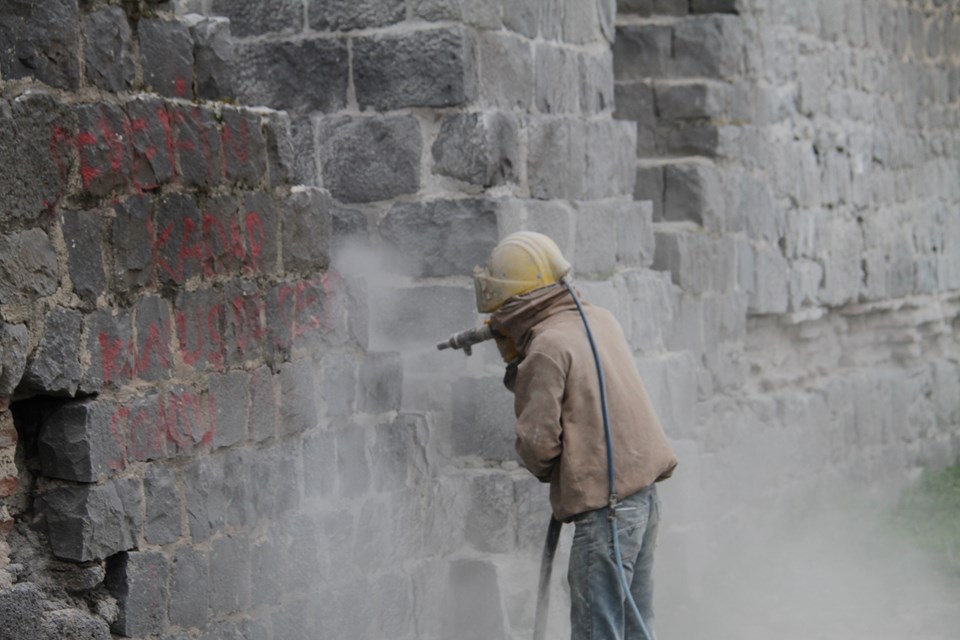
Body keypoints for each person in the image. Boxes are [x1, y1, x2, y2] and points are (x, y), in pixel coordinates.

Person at [473, 231, 678, 640]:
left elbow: (538, 446)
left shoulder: (547, 347)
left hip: (608, 515)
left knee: (596, 633)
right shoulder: (600, 319)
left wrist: (518, 364)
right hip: (643, 501)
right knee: (636, 630)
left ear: (515, 302)